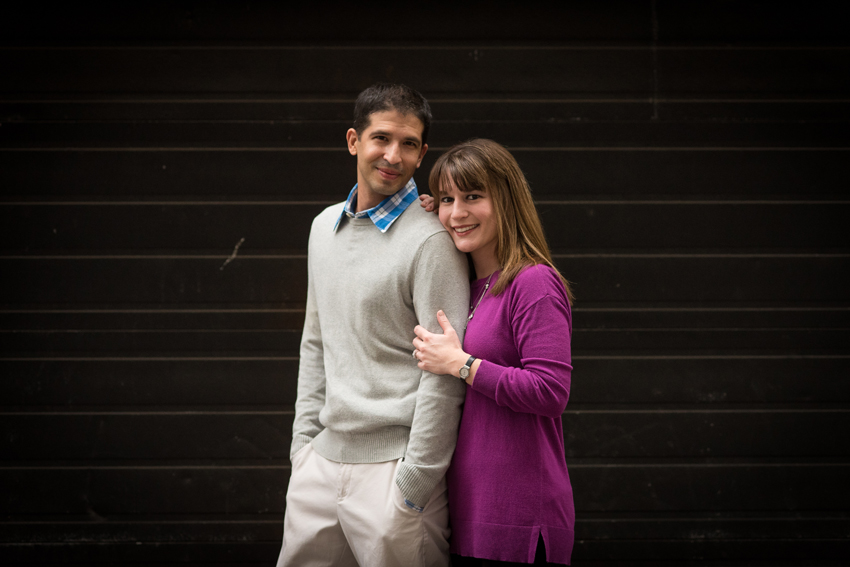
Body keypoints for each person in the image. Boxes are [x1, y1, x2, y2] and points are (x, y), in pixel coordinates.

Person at [277, 84, 470, 567]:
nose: (393, 155)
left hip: (394, 474)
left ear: (423, 153)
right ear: (353, 141)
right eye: (381, 138)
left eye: (409, 144)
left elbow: (442, 369)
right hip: (319, 467)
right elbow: (316, 342)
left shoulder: (431, 242)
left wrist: (414, 483)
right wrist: (303, 451)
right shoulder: (323, 228)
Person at [413, 139, 575, 566]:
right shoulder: (468, 287)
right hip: (468, 512)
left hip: (519, 516)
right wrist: (421, 214)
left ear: (506, 198)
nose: (457, 213)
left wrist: (462, 365)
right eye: (447, 199)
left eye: (472, 196)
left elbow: (551, 391)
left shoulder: (533, 282)